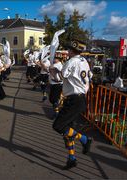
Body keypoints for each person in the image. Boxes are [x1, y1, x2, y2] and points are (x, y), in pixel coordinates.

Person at [51, 40, 93, 169]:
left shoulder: (71, 62)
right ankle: (71, 158)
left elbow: (60, 77)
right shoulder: (84, 61)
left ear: (72, 51)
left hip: (74, 100)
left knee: (58, 126)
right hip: (80, 99)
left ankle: (84, 139)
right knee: (67, 131)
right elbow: (89, 77)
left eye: (69, 50)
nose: (67, 52)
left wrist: (51, 71)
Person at [48, 51, 64, 118]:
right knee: (52, 99)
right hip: (54, 84)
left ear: (58, 59)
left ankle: (56, 113)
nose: (54, 59)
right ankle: (56, 111)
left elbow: (62, 75)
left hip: (57, 84)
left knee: (54, 99)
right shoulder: (56, 65)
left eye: (55, 58)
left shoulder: (59, 65)